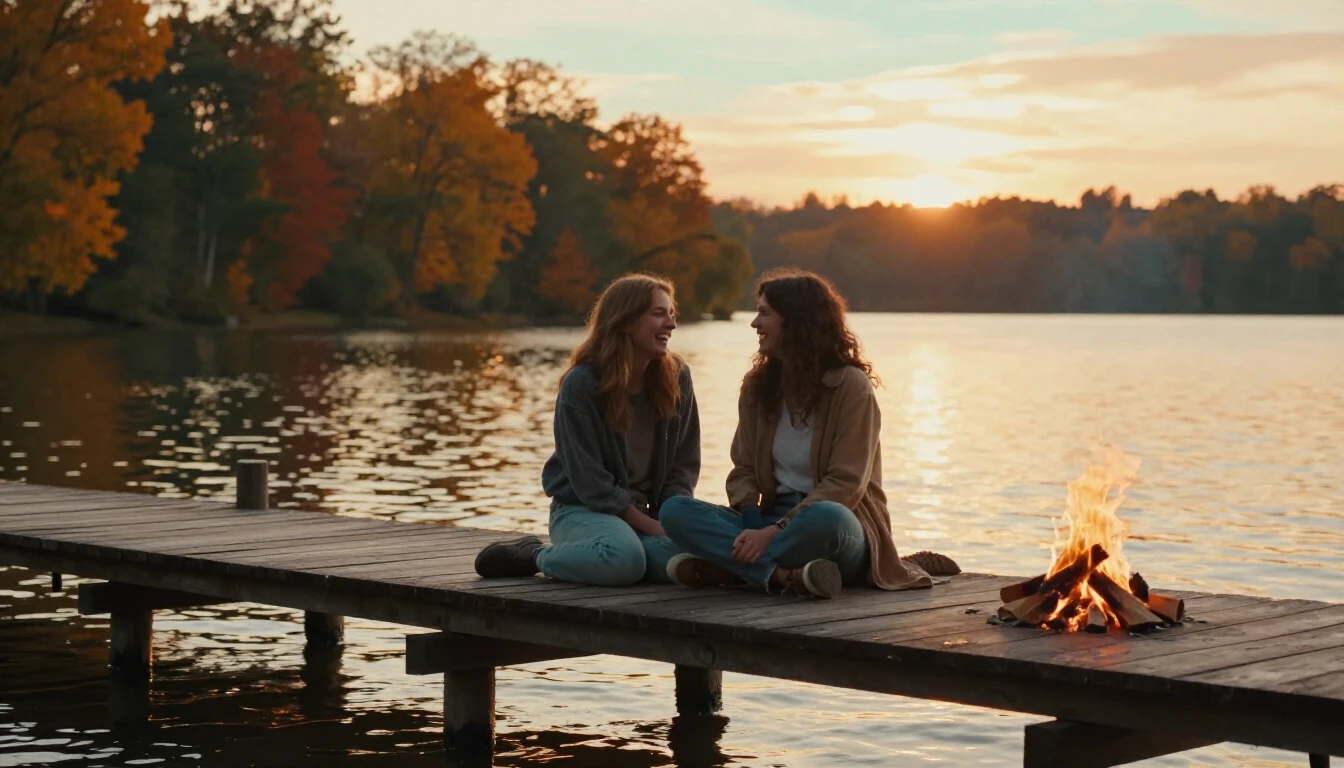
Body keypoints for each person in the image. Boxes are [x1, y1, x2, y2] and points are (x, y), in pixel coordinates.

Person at [659, 268, 947, 599]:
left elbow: (845, 484)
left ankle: (730, 568)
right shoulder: (757, 388)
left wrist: (774, 532)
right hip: (767, 517)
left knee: (827, 518)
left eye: (764, 313)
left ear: (795, 321)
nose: (755, 324)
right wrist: (754, 522)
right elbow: (743, 470)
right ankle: (781, 574)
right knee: (675, 510)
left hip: (837, 525)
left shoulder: (851, 387)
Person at [473, 274, 699, 586]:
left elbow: (683, 467)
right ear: (625, 321)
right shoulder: (582, 384)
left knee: (695, 555)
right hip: (582, 509)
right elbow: (591, 483)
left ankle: (630, 553)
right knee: (625, 559)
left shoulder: (678, 378)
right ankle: (534, 554)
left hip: (647, 516)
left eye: (671, 313)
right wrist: (650, 526)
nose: (671, 324)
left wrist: (672, 517)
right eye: (658, 313)